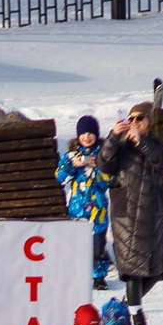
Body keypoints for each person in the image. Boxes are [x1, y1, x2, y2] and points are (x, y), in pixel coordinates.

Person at [96, 102, 163, 325]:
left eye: (140, 118)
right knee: (134, 272)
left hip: (152, 214)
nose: (135, 122)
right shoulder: (120, 144)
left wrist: (141, 141)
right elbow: (103, 163)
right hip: (127, 213)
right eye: (131, 118)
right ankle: (138, 324)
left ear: (149, 121)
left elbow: (162, 161)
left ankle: (124, 308)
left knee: (156, 271)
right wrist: (113, 136)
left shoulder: (157, 145)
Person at [56, 116, 111, 288]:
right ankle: (76, 275)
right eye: (83, 133)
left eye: (91, 133)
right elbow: (60, 177)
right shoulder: (71, 156)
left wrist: (100, 167)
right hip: (77, 209)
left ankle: (98, 277)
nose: (87, 137)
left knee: (98, 246)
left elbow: (109, 180)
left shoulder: (103, 154)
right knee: (77, 246)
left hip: (98, 210)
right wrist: (74, 165)